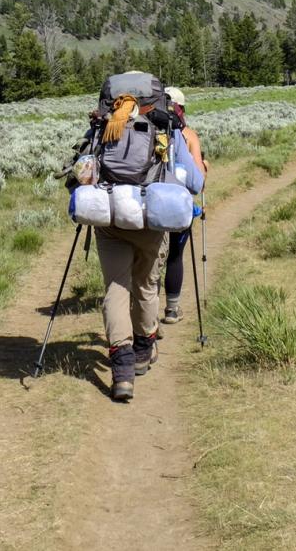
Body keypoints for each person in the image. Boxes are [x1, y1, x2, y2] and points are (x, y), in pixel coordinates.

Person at [94, 96, 204, 403]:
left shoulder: (106, 121)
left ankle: (122, 372)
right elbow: (195, 184)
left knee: (116, 289)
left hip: (110, 217)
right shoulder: (165, 125)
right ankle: (143, 352)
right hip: (150, 218)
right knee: (145, 286)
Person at [159, 87, 208, 325]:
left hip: (151, 202)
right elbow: (197, 178)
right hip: (179, 205)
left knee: (149, 259)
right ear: (182, 109)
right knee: (175, 256)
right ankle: (171, 308)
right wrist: (205, 167)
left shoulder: (149, 129)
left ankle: (145, 317)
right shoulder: (188, 135)